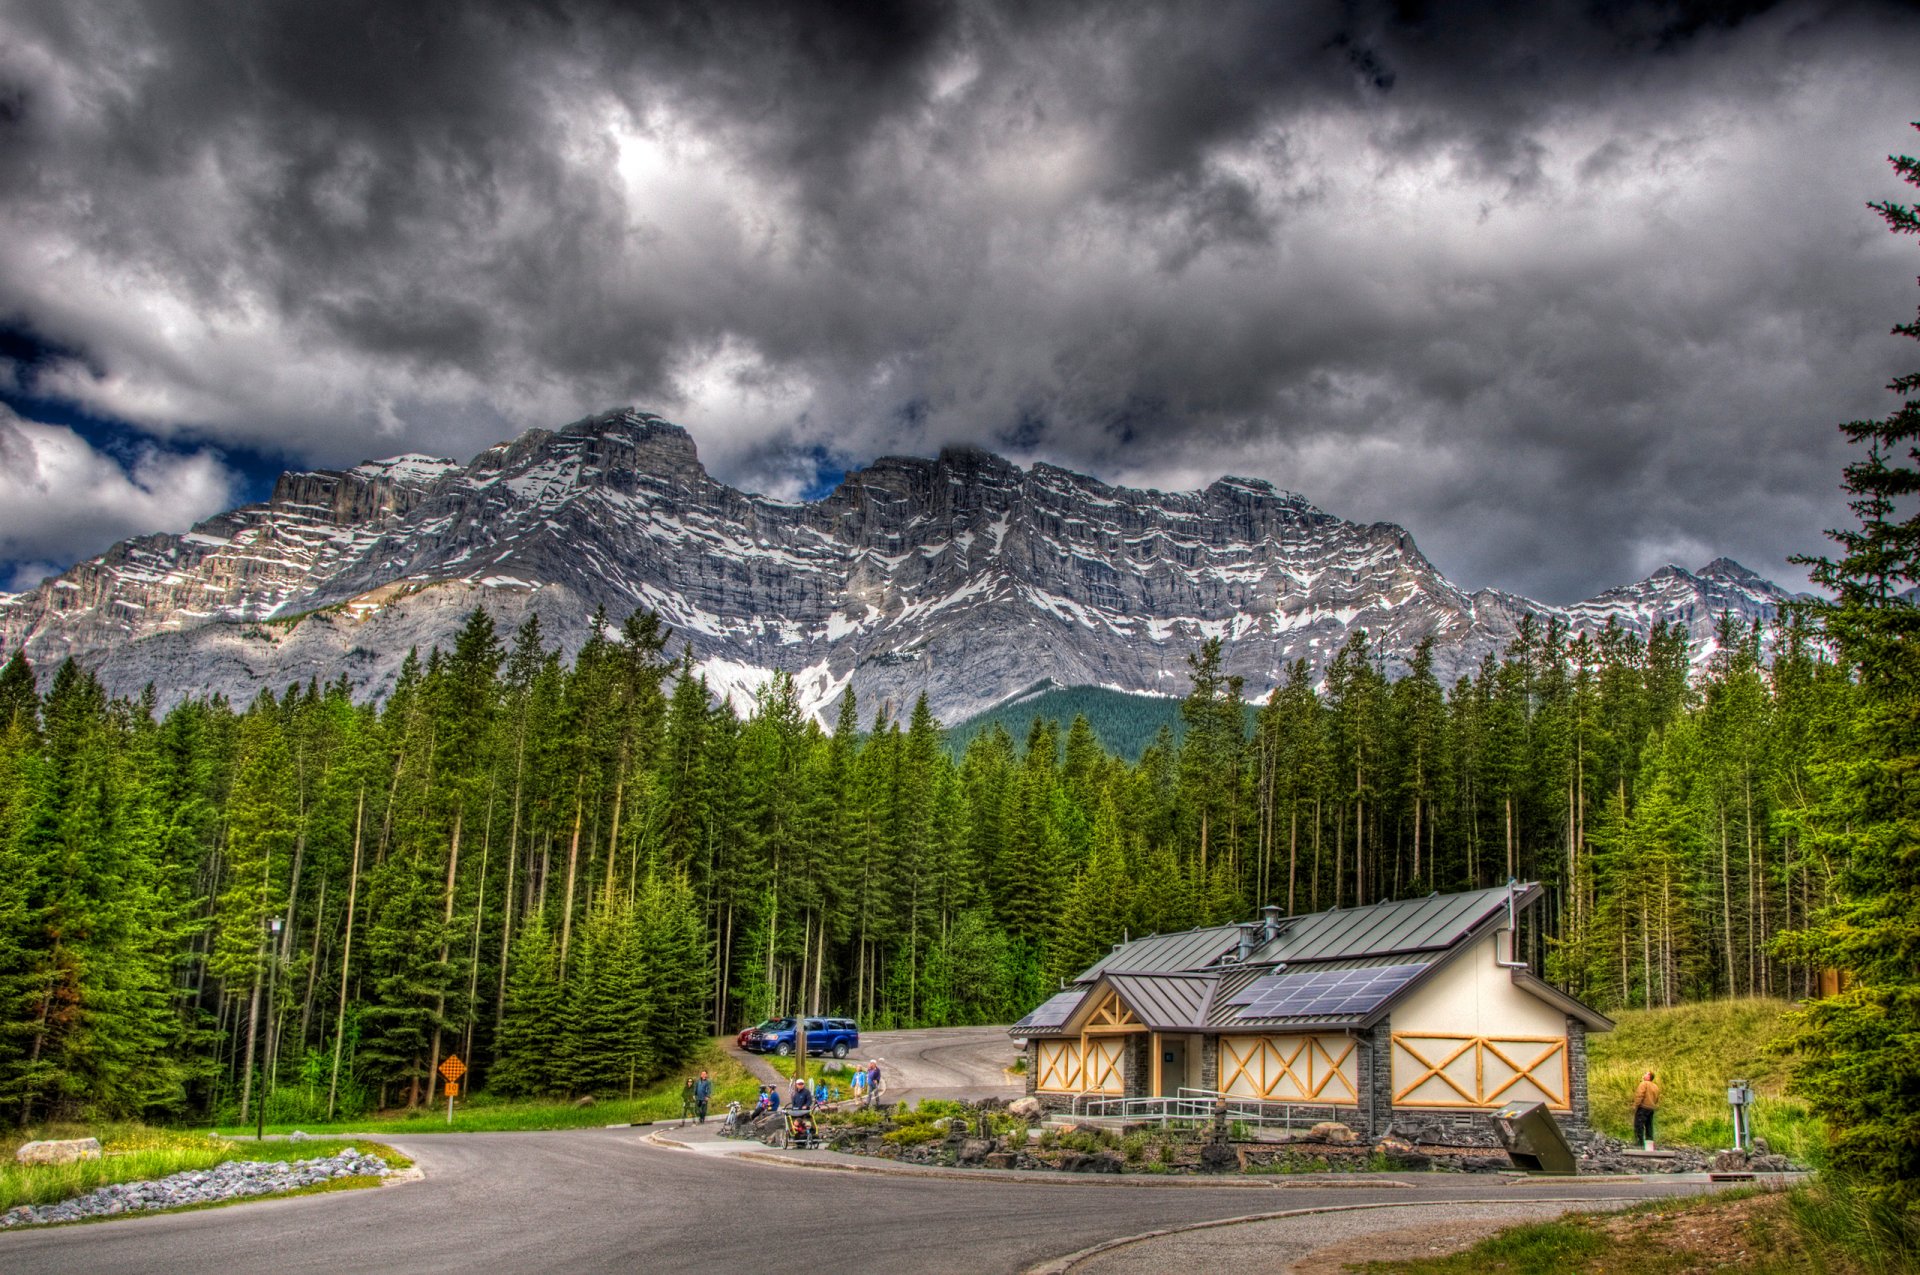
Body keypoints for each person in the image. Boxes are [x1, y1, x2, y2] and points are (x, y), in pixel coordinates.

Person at [1632, 1070, 1661, 1146]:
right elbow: (1657, 1098)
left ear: (1649, 1077)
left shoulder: (1644, 1084)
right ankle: (1649, 1143)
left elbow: (1639, 1095)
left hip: (1643, 1107)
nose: (1644, 1075)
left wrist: (1635, 1105)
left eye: (1646, 1074)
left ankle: (1640, 1142)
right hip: (1651, 1108)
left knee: (1639, 1124)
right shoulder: (1655, 1086)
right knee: (1649, 1125)